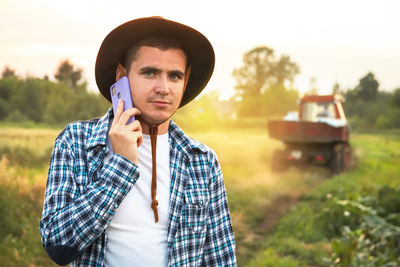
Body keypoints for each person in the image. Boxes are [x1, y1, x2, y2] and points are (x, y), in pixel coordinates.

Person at [39, 16, 236, 266]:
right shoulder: (76, 141)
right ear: (121, 75)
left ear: (185, 80)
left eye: (174, 76)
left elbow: (220, 258)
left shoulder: (201, 160)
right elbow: (58, 246)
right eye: (150, 72)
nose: (163, 87)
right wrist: (121, 165)